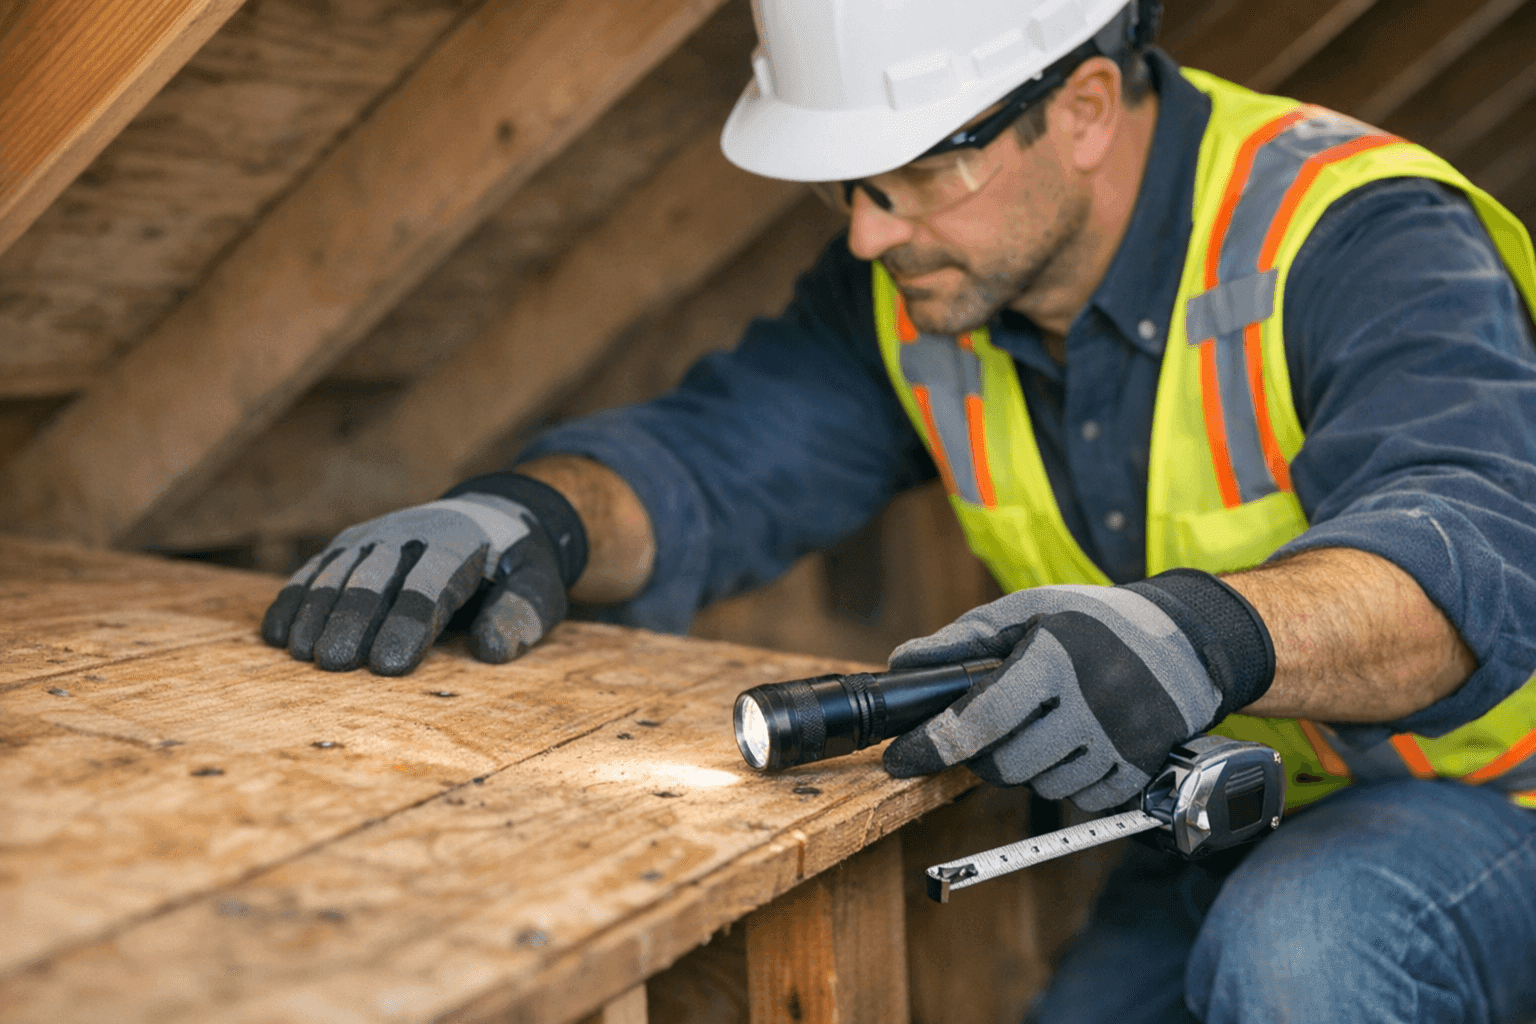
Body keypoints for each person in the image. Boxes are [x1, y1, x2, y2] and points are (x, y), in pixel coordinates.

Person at [260, 0, 1536, 1018]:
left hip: (1490, 801)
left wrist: (1200, 637)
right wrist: (535, 515)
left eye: (913, 175)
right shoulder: (929, 281)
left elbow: (1480, 542)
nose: (867, 234)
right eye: (845, 188)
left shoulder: (1356, 233)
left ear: (1084, 106)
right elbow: (712, 461)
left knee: (1305, 946)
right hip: (1203, 813)